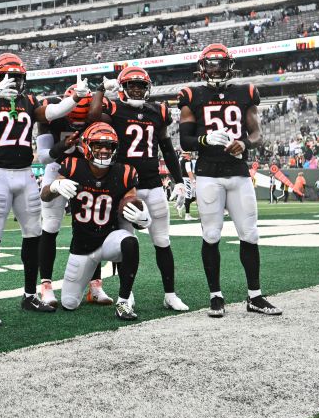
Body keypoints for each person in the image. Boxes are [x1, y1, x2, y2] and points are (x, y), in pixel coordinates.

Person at [178, 43, 281, 318]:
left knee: (250, 234)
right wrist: (204, 139)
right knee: (211, 235)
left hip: (238, 174)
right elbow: (184, 139)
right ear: (202, 67)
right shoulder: (191, 95)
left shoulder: (245, 92)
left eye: (219, 63)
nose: (215, 68)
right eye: (210, 64)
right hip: (208, 173)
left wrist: (244, 143)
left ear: (229, 65)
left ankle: (255, 296)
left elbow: (257, 134)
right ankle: (215, 296)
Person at [0, 54, 79, 313]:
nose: (14, 81)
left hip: (24, 175)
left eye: (18, 77)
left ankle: (30, 294)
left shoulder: (29, 101)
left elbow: (52, 112)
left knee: (33, 234)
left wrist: (75, 98)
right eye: (8, 77)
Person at [95, 66, 190, 311]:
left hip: (153, 184)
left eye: (140, 85)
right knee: (128, 242)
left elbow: (167, 148)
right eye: (131, 85)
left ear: (147, 88)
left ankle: (170, 294)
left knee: (162, 241)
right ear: (123, 87)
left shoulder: (158, 111)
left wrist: (178, 181)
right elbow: (93, 120)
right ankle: (127, 294)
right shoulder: (113, 108)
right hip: (125, 187)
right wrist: (100, 93)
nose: (136, 89)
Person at [39, 123, 146, 320]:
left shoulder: (124, 172)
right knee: (69, 303)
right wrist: (54, 185)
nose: (104, 150)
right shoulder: (72, 166)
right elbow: (44, 196)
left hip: (109, 241)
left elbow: (130, 202)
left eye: (109, 147)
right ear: (87, 146)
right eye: (98, 145)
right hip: (82, 248)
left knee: (130, 241)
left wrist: (141, 217)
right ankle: (87, 289)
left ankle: (123, 301)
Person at [35, 77, 111, 308]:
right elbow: (44, 156)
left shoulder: (99, 117)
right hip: (57, 172)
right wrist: (64, 146)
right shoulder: (52, 119)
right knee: (50, 226)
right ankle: (46, 286)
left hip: (87, 173)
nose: (78, 122)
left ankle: (95, 285)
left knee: (93, 227)